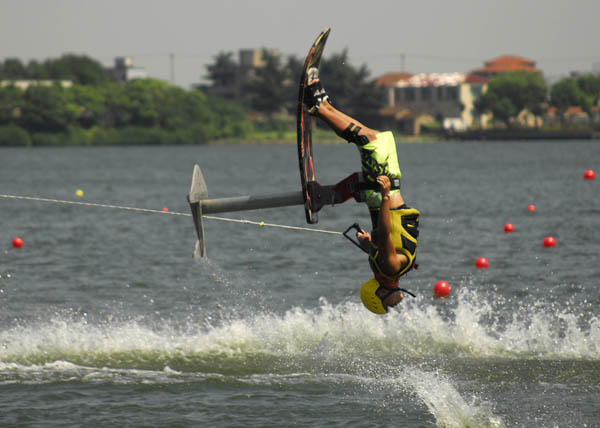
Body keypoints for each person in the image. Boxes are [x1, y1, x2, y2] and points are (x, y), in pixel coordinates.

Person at [304, 67, 420, 314]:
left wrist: (386, 195)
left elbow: (387, 232)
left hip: (383, 192)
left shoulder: (389, 269)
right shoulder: (385, 270)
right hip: (381, 193)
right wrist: (369, 243)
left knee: (368, 140)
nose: (396, 305)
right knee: (376, 137)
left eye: (388, 305)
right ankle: (324, 105)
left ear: (379, 295)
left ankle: (317, 108)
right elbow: (382, 242)